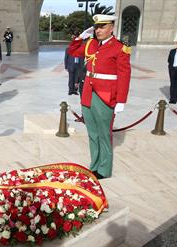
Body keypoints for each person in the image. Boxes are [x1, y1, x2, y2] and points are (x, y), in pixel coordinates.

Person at [67, 14, 131, 179]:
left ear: (111, 28)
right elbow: (72, 51)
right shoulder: (91, 43)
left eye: (102, 26)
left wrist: (121, 100)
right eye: (96, 27)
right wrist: (81, 37)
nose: (98, 30)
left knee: (104, 134)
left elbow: (124, 75)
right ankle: (94, 165)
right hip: (88, 93)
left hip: (105, 96)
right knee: (92, 133)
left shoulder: (119, 47)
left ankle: (104, 169)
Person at [168, 38, 177, 104]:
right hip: (172, 69)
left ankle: (176, 98)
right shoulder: (172, 51)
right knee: (172, 83)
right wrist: (170, 68)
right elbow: (169, 60)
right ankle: (172, 98)